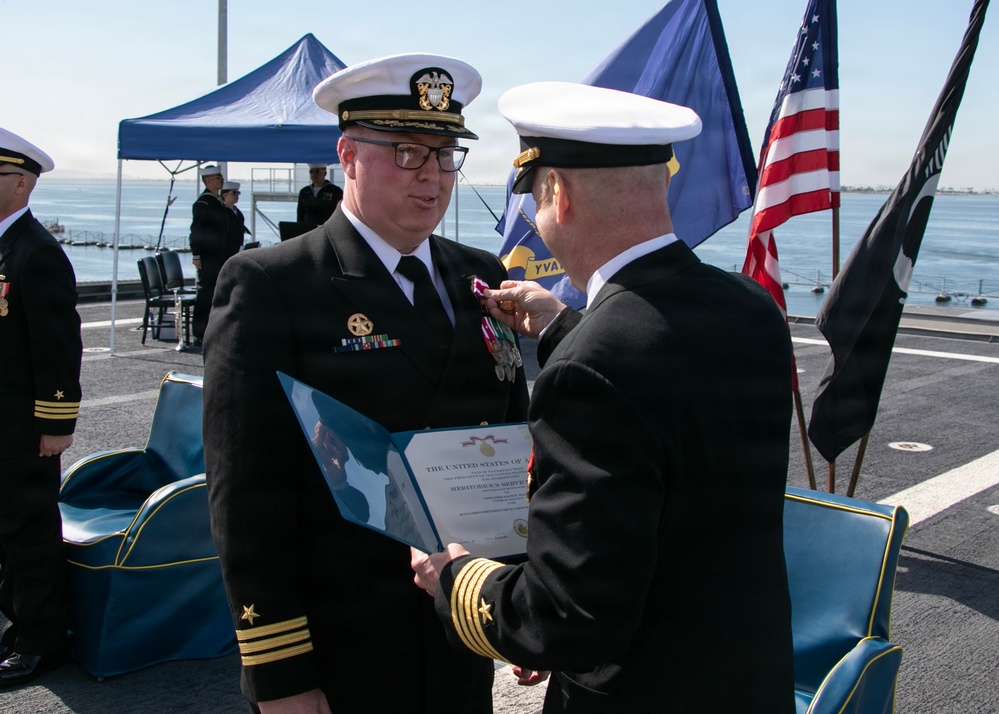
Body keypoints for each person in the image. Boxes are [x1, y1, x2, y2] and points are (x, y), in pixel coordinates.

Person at [412, 82, 796, 713]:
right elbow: (667, 391)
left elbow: (567, 617)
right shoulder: (749, 306)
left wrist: (456, 579)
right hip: (747, 680)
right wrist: (564, 325)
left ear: (557, 193)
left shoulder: (597, 363)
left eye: (534, 197)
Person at [202, 53, 529, 714]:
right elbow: (246, 493)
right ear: (347, 154)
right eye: (406, 152)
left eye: (444, 155)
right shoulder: (272, 283)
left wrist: (522, 600)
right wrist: (280, 674)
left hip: (461, 618)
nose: (432, 177)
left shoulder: (478, 275)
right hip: (342, 639)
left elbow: (510, 449)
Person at [0, 128, 82, 687]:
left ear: (23, 182)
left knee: (28, 534)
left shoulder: (36, 252)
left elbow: (58, 344)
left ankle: (41, 643)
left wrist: (55, 424)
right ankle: (18, 626)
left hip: (23, 426)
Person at [189, 164, 230, 344]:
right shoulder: (203, 202)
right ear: (208, 180)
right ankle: (199, 332)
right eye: (218, 177)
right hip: (208, 256)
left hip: (218, 255)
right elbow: (196, 230)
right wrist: (196, 254)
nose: (221, 180)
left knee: (215, 293)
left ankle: (211, 329)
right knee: (205, 294)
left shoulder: (217, 201)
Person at [220, 180, 250, 250]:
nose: (237, 195)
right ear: (225, 195)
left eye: (238, 193)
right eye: (234, 193)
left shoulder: (238, 213)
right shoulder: (221, 212)